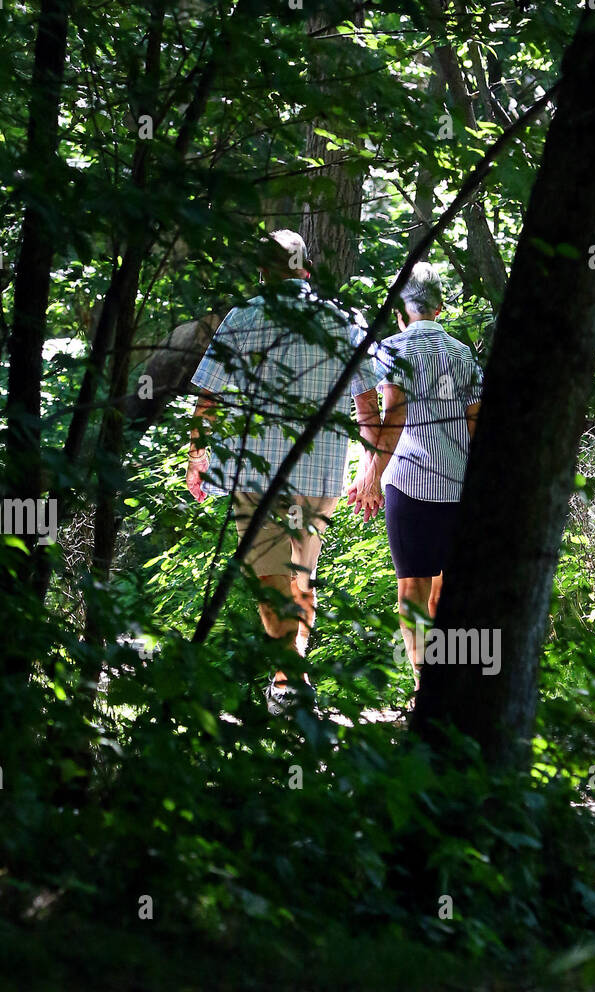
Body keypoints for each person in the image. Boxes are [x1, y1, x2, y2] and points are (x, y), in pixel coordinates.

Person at [187, 230, 380, 714]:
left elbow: (208, 400)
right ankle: (291, 678)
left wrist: (197, 456)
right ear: (305, 269)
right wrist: (370, 467)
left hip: (252, 474)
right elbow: (367, 404)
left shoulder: (242, 318)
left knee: (270, 576)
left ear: (263, 271)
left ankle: (288, 676)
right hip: (319, 474)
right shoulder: (343, 320)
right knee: (301, 571)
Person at [349, 263, 481, 686]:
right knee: (444, 589)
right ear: (440, 307)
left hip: (408, 484)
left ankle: (425, 683)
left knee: (412, 590)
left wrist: (370, 474)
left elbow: (390, 416)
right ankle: (445, 684)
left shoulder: (390, 348)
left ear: (401, 310)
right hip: (458, 486)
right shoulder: (464, 354)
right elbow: (477, 422)